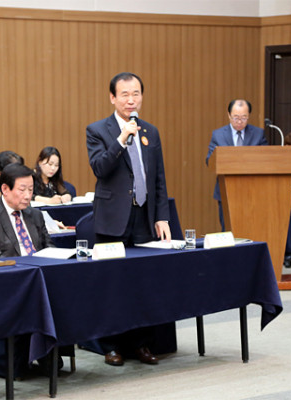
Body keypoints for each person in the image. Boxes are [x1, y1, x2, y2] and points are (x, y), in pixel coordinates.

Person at [86, 72, 170, 366]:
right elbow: (100, 168)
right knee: (112, 285)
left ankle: (142, 344)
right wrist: (121, 140)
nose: (131, 100)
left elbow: (158, 178)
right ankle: (111, 346)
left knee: (143, 283)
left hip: (144, 217)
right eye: (125, 94)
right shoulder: (98, 130)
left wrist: (162, 216)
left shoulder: (151, 132)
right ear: (112, 98)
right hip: (112, 219)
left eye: (136, 94)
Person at [0, 163, 56, 378]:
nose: (28, 196)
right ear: (5, 189)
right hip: (10, 283)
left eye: (31, 189)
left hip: (39, 279)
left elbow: (49, 247)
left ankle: (49, 349)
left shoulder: (35, 215)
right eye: (22, 189)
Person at [205, 99, 269, 231]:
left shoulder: (258, 134)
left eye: (244, 118)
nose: (239, 121)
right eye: (236, 117)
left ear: (249, 116)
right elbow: (209, 161)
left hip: (252, 191)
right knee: (228, 230)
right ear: (229, 115)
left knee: (251, 230)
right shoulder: (218, 135)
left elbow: (266, 159)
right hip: (226, 191)